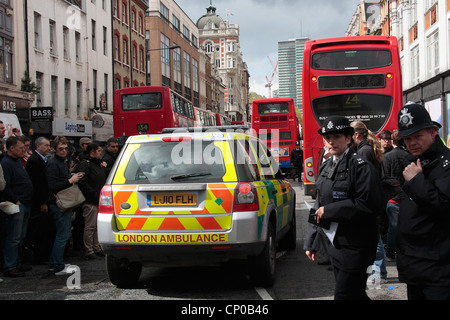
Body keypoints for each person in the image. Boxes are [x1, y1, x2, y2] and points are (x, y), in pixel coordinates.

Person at [304, 116, 383, 300]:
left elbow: (369, 204)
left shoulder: (361, 166)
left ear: (349, 138)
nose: (331, 141)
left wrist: (330, 211)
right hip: (336, 245)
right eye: (327, 138)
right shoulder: (326, 165)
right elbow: (318, 205)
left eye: (337, 136)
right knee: (354, 294)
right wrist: (311, 240)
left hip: (357, 246)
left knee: (343, 295)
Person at [395, 103, 450, 300]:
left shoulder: (445, 163)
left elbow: (444, 206)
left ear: (433, 132)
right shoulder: (418, 162)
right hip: (416, 267)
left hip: (438, 270)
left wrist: (416, 181)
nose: (412, 143)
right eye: (407, 139)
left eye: (418, 136)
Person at [351, 120, 387, 285]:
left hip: (370, 200)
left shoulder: (364, 152)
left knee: (375, 239)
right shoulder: (366, 149)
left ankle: (378, 273)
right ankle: (379, 271)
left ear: (357, 134)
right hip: (373, 199)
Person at [46, 136, 83, 275]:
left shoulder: (61, 162)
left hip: (64, 203)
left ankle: (54, 263)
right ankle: (58, 267)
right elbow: (52, 186)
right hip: (59, 204)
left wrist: (73, 176)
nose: (63, 151)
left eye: (66, 148)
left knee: (62, 234)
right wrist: (70, 180)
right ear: (54, 149)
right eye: (60, 148)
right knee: (63, 235)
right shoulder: (53, 164)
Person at [1, 136, 33, 277]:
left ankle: (17, 262)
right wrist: (16, 200)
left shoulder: (17, 161)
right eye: (20, 148)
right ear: (12, 148)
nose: (23, 150)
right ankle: (10, 265)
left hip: (25, 203)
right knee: (13, 237)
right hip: (17, 204)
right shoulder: (6, 163)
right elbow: (5, 186)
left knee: (20, 236)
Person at [380, 130, 414, 261]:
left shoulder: (387, 157)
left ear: (393, 141)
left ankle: (390, 252)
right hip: (405, 195)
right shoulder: (407, 155)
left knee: (392, 228)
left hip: (391, 196)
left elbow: (385, 176)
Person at [24, 137, 55, 265]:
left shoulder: (42, 160)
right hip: (39, 202)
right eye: (46, 145)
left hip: (44, 199)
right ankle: (39, 256)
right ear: (38, 146)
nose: (48, 148)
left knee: (46, 229)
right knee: (40, 229)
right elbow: (38, 184)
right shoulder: (34, 161)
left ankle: (43, 254)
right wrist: (42, 202)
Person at [77, 143, 106, 260]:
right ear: (92, 151)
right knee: (90, 226)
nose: (100, 153)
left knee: (97, 226)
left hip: (98, 200)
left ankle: (97, 247)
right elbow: (82, 182)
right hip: (90, 200)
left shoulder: (97, 164)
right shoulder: (86, 164)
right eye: (99, 151)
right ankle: (89, 250)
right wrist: (94, 194)